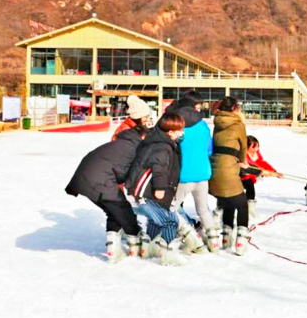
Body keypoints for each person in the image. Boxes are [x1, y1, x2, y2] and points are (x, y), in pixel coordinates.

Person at [65, 119, 149, 262]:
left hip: (84, 179)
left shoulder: (122, 143)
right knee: (123, 209)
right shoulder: (134, 147)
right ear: (142, 136)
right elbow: (124, 172)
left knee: (114, 211)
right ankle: (134, 245)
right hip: (99, 180)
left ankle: (112, 249)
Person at [125, 112, 200, 266]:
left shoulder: (163, 142)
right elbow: (159, 169)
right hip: (145, 193)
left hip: (147, 192)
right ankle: (168, 253)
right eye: (180, 130)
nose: (182, 133)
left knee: (155, 221)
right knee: (169, 222)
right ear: (170, 132)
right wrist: (160, 189)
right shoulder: (162, 147)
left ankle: (151, 248)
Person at [167, 91, 218, 253]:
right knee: (203, 209)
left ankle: (188, 236)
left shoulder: (178, 126)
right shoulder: (203, 125)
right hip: (203, 173)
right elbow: (209, 150)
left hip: (183, 176)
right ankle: (214, 240)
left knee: (171, 207)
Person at [209, 96, 251, 255]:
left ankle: (226, 235)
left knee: (228, 199)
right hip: (228, 165)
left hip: (215, 165)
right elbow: (243, 146)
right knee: (241, 203)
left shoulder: (217, 122)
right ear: (235, 108)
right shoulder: (238, 124)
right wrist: (242, 161)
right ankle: (241, 240)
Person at [240, 135, 283, 223]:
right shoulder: (244, 156)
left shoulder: (256, 154)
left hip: (249, 177)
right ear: (247, 147)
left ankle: (250, 208)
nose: (256, 149)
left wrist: (274, 171)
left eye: (257, 146)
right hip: (240, 176)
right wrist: (270, 174)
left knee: (251, 190)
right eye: (254, 147)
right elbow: (255, 167)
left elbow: (262, 163)